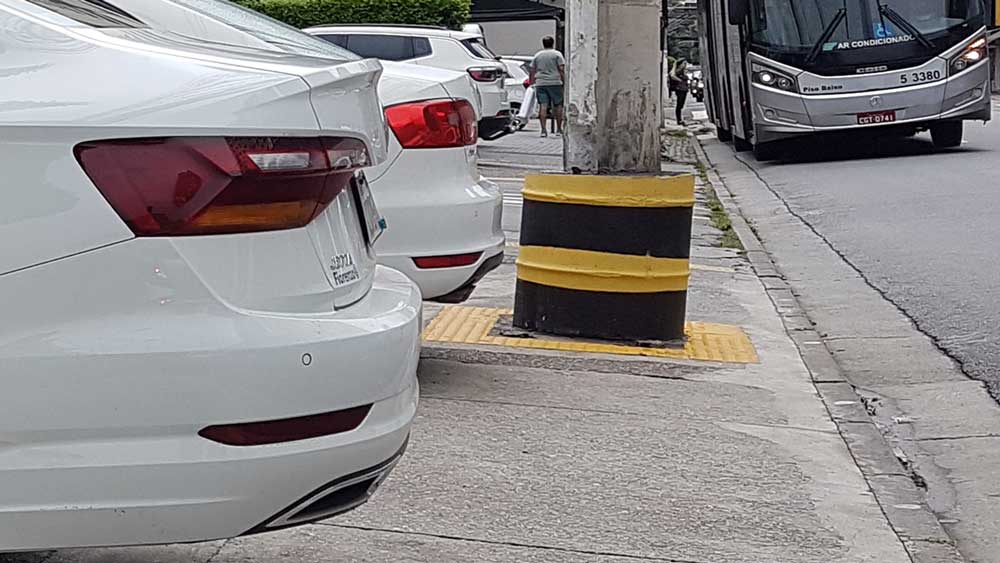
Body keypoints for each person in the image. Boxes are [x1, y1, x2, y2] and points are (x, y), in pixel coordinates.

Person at [529, 36, 565, 138]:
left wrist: (532, 82)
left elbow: (532, 70)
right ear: (552, 43)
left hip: (541, 82)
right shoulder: (557, 54)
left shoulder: (538, 55)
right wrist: (564, 80)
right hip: (555, 82)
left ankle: (543, 130)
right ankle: (558, 129)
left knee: (543, 106)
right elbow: (561, 68)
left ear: (543, 43)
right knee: (558, 105)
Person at [669, 59, 689, 125]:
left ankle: (680, 119)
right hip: (680, 89)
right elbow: (672, 75)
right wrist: (680, 80)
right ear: (680, 64)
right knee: (679, 105)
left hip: (684, 89)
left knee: (681, 105)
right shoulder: (677, 70)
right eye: (684, 63)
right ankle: (679, 120)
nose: (685, 65)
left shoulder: (683, 71)